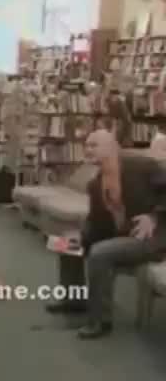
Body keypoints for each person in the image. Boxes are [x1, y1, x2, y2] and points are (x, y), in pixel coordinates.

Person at [47, 130, 166, 339]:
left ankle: (100, 320)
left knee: (100, 253)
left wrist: (154, 216)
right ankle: (74, 300)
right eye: (86, 145)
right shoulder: (95, 185)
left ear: (111, 147)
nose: (88, 149)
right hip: (122, 236)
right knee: (64, 243)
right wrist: (81, 238)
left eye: (94, 145)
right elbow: (96, 224)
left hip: (152, 237)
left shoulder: (141, 166)